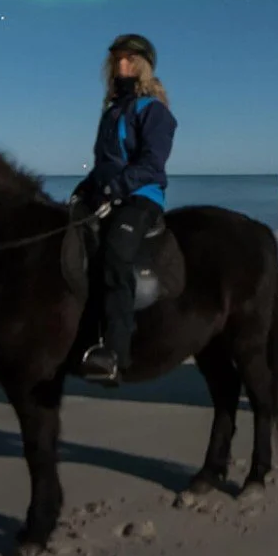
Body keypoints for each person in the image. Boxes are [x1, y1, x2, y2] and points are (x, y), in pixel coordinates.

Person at [73, 34, 177, 385]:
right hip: (107, 193)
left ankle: (116, 353)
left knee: (116, 255)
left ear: (143, 65)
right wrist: (86, 190)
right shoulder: (112, 110)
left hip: (141, 196)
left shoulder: (154, 111)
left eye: (129, 59)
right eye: (117, 59)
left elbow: (151, 163)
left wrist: (114, 190)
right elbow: (103, 163)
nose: (122, 65)